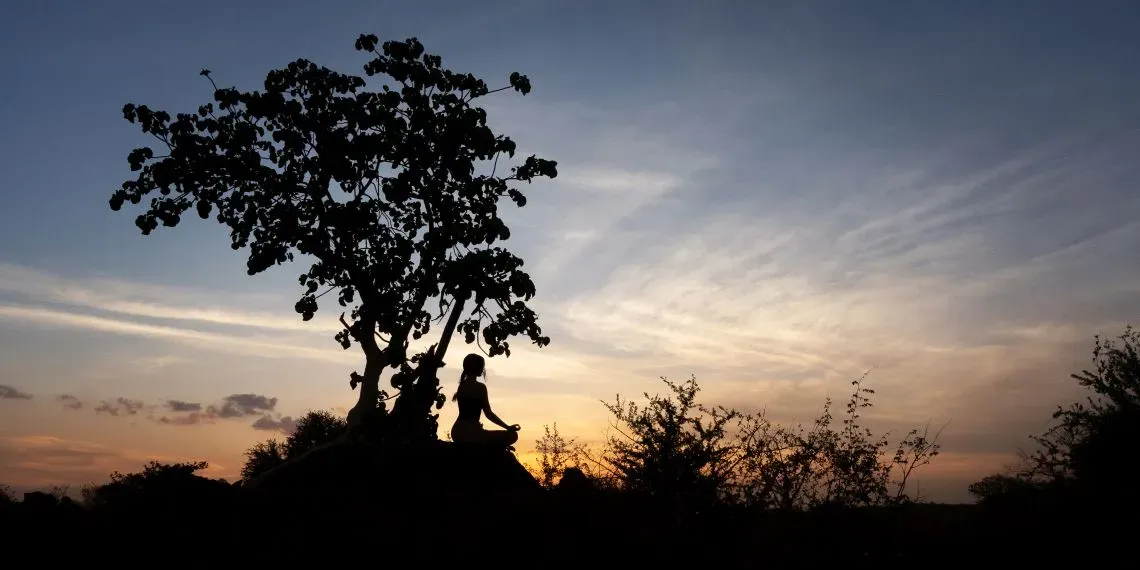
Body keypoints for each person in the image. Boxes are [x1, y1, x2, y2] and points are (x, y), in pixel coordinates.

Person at [450, 353, 520, 449]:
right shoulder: (480, 387)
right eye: (482, 366)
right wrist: (507, 427)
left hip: (457, 433)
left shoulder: (461, 386)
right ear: (477, 368)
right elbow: (489, 414)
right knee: (513, 435)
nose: (483, 369)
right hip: (472, 434)